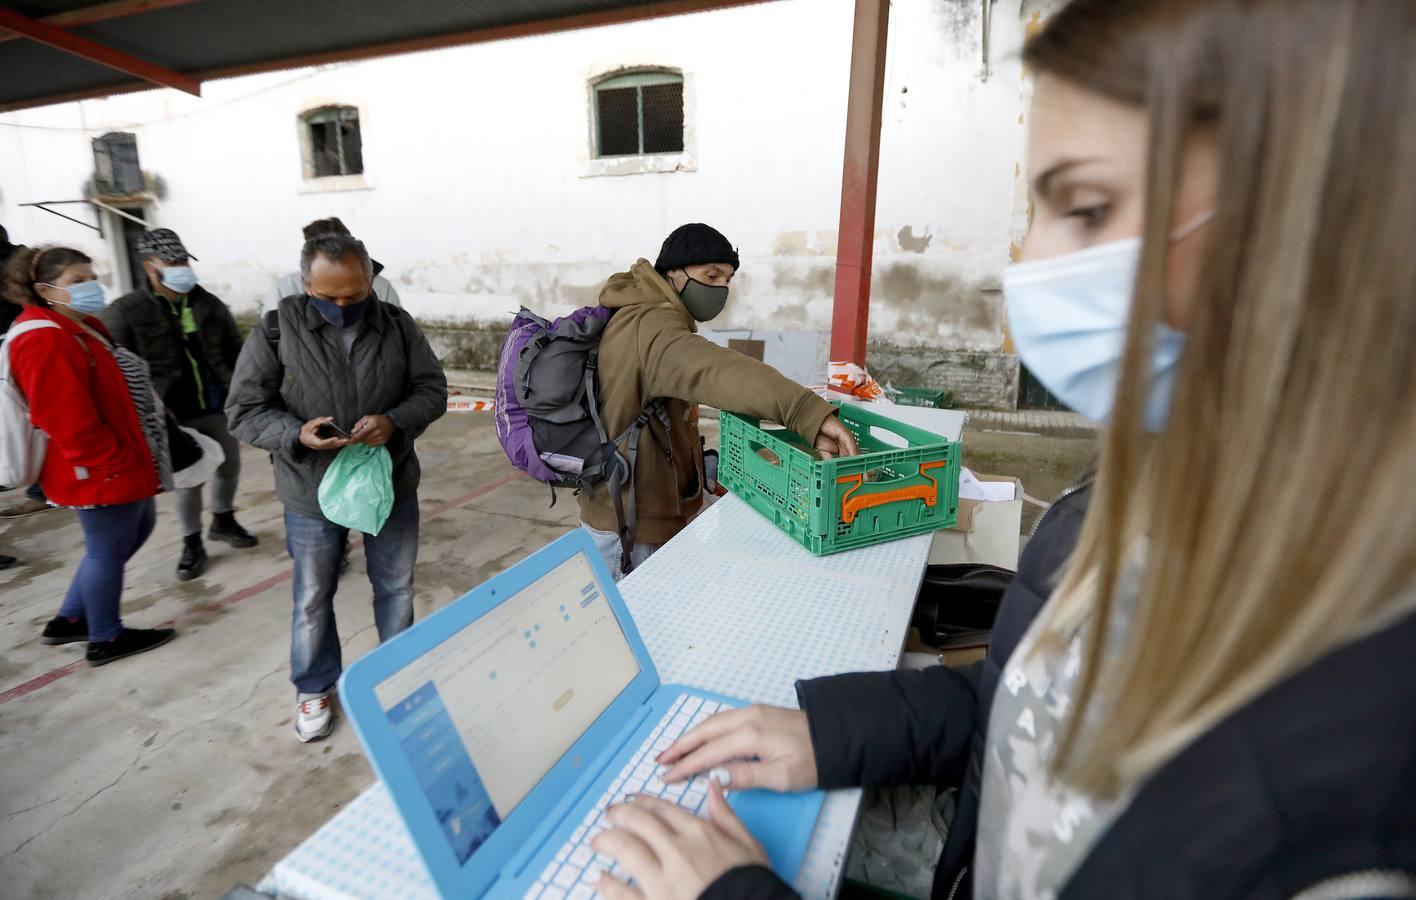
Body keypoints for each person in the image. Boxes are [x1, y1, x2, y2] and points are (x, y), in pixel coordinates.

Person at [586, 1, 1416, 898]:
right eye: (1040, 211)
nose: (1031, 258)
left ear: (1314, 221)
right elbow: (1036, 697)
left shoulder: (1349, 781)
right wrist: (834, 728)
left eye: (1087, 207)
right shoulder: (1145, 495)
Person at [228, 233, 447, 743]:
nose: (343, 307)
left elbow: (431, 390)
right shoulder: (277, 330)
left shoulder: (396, 325)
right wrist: (294, 434)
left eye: (355, 294)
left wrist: (394, 421)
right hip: (311, 488)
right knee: (312, 595)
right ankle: (314, 686)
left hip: (386, 480)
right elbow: (243, 410)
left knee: (395, 588)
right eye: (329, 298)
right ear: (306, 284)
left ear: (371, 281)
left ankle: (398, 681)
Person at [581, 223, 859, 578]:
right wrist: (805, 412)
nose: (721, 289)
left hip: (639, 508)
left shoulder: (647, 313)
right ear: (672, 273)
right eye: (711, 276)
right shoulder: (651, 326)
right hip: (630, 529)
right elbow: (719, 372)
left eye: (727, 280)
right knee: (643, 628)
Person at [3, 246, 176, 665]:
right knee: (106, 547)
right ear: (44, 289)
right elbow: (66, 417)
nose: (90, 287)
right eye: (76, 282)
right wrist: (108, 463)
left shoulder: (75, 325)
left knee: (134, 530)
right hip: (95, 465)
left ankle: (70, 619)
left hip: (117, 455)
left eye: (91, 276)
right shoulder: (44, 338)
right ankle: (105, 636)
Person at [100, 228, 255, 581]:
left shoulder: (208, 304)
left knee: (229, 465)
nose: (181, 268)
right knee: (189, 478)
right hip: (169, 410)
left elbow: (235, 350)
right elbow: (116, 367)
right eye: (172, 263)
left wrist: (242, 389)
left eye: (183, 261)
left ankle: (224, 518)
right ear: (150, 268)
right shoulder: (126, 312)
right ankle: (191, 543)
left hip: (216, 401)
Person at [263, 217, 400, 315]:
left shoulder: (380, 286)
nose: (341, 304)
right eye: (328, 297)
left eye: (354, 296)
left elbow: (396, 326)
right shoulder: (286, 287)